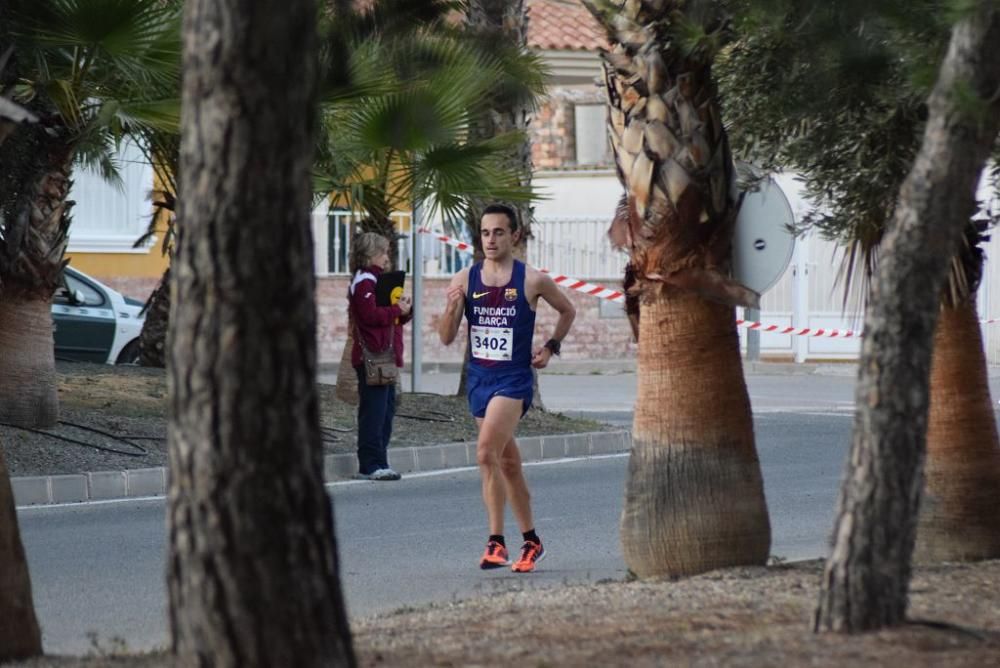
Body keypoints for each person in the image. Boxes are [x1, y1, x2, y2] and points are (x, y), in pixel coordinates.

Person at [438, 204, 576, 572]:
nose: (491, 239)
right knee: (509, 463)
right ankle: (532, 541)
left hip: (513, 380)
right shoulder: (466, 279)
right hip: (480, 380)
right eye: (485, 233)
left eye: (499, 232)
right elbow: (447, 337)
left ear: (514, 236)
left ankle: (495, 543)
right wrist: (452, 310)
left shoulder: (531, 280)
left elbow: (568, 310)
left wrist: (550, 348)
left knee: (485, 453)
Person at [349, 232, 412, 481]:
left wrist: (403, 310)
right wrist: (396, 309)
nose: (387, 257)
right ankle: (370, 464)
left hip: (385, 356)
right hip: (371, 357)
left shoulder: (378, 281)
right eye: (384, 252)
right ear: (371, 253)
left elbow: (390, 318)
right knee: (373, 412)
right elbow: (370, 316)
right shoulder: (364, 281)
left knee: (385, 411)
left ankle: (380, 460)